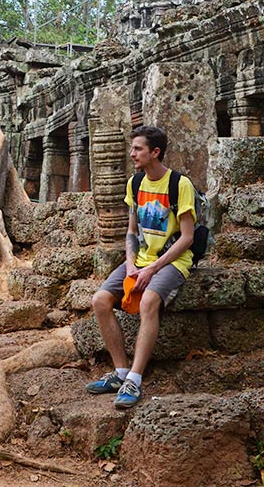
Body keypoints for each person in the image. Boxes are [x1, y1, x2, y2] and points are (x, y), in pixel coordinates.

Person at [86, 125, 196, 409]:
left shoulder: (179, 185)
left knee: (148, 300)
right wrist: (133, 263)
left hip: (173, 260)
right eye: (133, 148)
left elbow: (187, 237)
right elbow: (131, 232)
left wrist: (152, 269)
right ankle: (120, 371)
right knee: (100, 300)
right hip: (141, 259)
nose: (132, 153)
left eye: (138, 149)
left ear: (155, 152)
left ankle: (134, 378)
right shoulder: (135, 183)